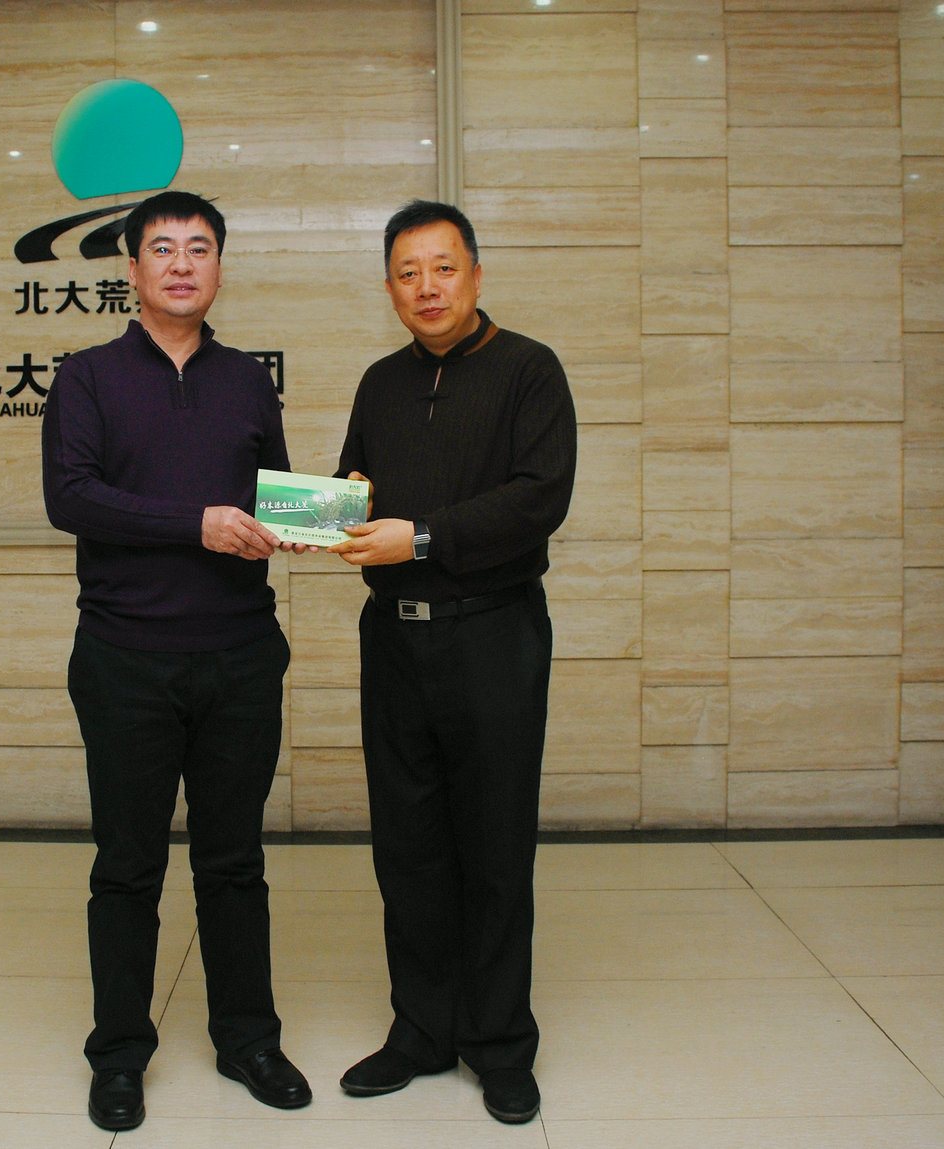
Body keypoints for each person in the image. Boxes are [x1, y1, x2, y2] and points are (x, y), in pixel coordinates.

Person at [42, 190, 312, 1132]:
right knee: (128, 865)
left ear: (220, 267)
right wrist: (194, 523)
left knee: (235, 861)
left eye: (200, 248)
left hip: (240, 656)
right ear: (132, 269)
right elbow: (72, 497)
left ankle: (248, 1038)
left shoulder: (247, 381)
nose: (182, 263)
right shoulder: (86, 377)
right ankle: (119, 1053)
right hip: (126, 660)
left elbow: (270, 499)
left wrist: (316, 519)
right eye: (163, 248)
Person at [329, 199, 577, 1125]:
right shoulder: (379, 382)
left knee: (495, 846)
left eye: (442, 267)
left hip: (493, 635)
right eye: (407, 272)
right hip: (394, 641)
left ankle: (500, 1042)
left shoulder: (529, 370)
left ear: (475, 273)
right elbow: (354, 483)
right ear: (389, 288)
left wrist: (422, 536)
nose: (426, 287)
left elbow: (539, 498)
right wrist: (334, 508)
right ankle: (422, 1031)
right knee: (408, 847)